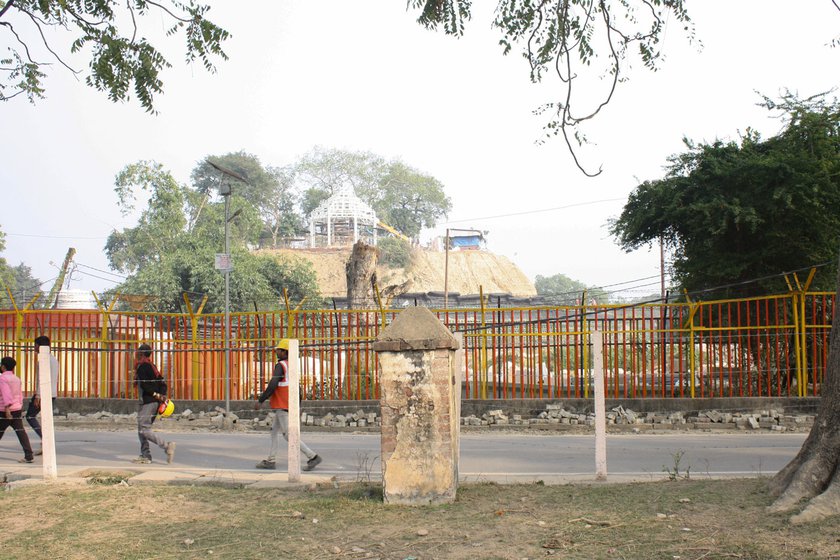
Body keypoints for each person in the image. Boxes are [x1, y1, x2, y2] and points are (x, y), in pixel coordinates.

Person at [255, 339, 322, 471]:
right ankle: (271, 460)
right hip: (288, 404)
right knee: (274, 431)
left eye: (279, 350)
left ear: (285, 352)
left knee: (288, 435)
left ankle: (312, 456)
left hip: (283, 404)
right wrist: (298, 405)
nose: (276, 352)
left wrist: (261, 399)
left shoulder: (280, 366)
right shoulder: (290, 365)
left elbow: (273, 385)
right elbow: (298, 388)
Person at [132, 344, 176, 464]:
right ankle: (145, 455)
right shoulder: (152, 366)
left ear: (141, 354)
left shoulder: (142, 367)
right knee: (142, 428)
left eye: (138, 353)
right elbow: (162, 383)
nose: (136, 355)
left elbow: (146, 386)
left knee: (144, 429)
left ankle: (167, 446)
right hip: (154, 402)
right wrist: (161, 396)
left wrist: (156, 395)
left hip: (148, 402)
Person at [26, 335, 60, 455]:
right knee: (46, 419)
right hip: (52, 393)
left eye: (35, 345)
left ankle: (45, 440)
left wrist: (38, 395)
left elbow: (42, 378)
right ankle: (45, 442)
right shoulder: (54, 359)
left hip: (44, 393)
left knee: (30, 416)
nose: (34, 348)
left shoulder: (44, 360)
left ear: (40, 346)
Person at [0, 356, 35, 463]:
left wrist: (7, 409)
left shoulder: (2, 378)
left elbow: (6, 394)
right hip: (16, 409)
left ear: (3, 367)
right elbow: (20, 395)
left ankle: (29, 455)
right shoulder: (17, 379)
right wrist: (19, 406)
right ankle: (29, 455)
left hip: (5, 410)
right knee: (21, 432)